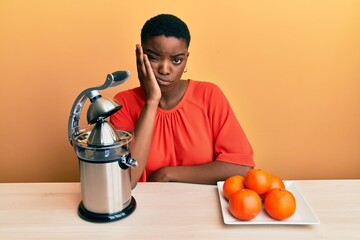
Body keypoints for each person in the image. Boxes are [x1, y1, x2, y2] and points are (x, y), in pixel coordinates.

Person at [110, 14, 255, 188]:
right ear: (140, 56)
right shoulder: (123, 103)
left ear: (186, 58)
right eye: (154, 58)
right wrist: (151, 101)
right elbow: (127, 178)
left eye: (176, 60)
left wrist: (167, 174)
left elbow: (241, 167)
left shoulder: (209, 95)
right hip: (147, 208)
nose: (164, 69)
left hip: (202, 206)